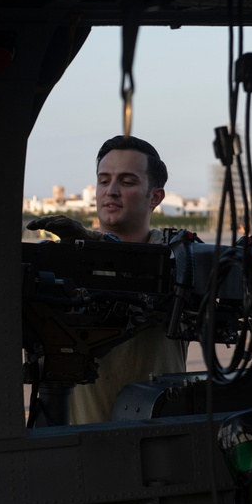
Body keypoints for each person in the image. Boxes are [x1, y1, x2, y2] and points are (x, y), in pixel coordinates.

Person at [27, 135, 188, 424]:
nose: (111, 191)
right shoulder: (66, 261)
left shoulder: (179, 263)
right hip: (80, 441)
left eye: (127, 182)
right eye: (103, 181)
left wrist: (94, 244)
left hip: (158, 438)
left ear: (156, 197)